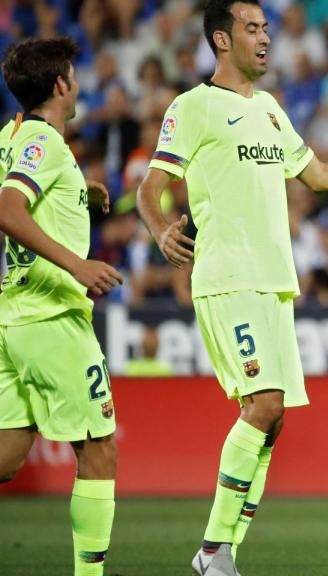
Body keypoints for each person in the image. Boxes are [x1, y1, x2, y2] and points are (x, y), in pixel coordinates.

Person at [135, 1, 328, 575]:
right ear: (221, 40)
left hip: (274, 283)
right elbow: (151, 185)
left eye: (266, 27)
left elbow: (322, 174)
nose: (265, 37)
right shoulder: (194, 107)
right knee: (262, 405)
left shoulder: (273, 111)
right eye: (252, 28)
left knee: (274, 420)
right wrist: (161, 231)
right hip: (228, 277)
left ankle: (224, 552)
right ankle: (212, 553)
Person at [0, 37, 124, 576]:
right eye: (74, 74)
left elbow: (21, 194)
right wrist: (77, 265)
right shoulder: (45, 143)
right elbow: (8, 209)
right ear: (60, 85)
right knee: (99, 450)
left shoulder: (10, 136)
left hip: (11, 319)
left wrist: (79, 190)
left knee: (6, 456)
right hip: (52, 319)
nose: (78, 82)